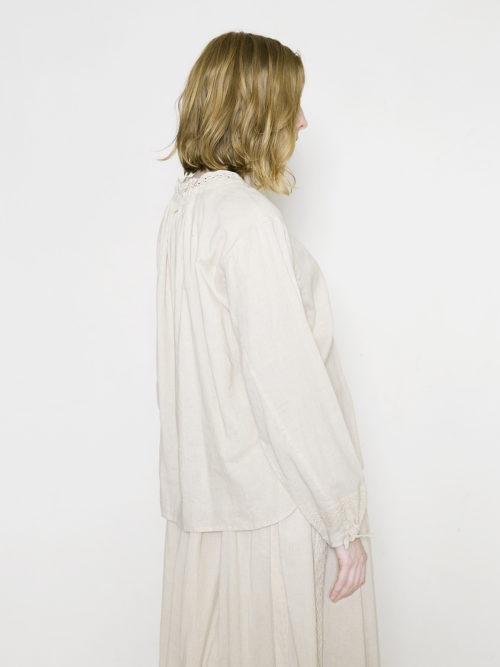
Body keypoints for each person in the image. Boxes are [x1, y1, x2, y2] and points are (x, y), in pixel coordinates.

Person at [155, 30, 381, 666]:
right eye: (292, 104)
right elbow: (285, 383)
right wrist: (342, 521)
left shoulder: (184, 213)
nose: (303, 122)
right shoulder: (246, 221)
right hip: (271, 510)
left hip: (211, 507)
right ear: (256, 110)